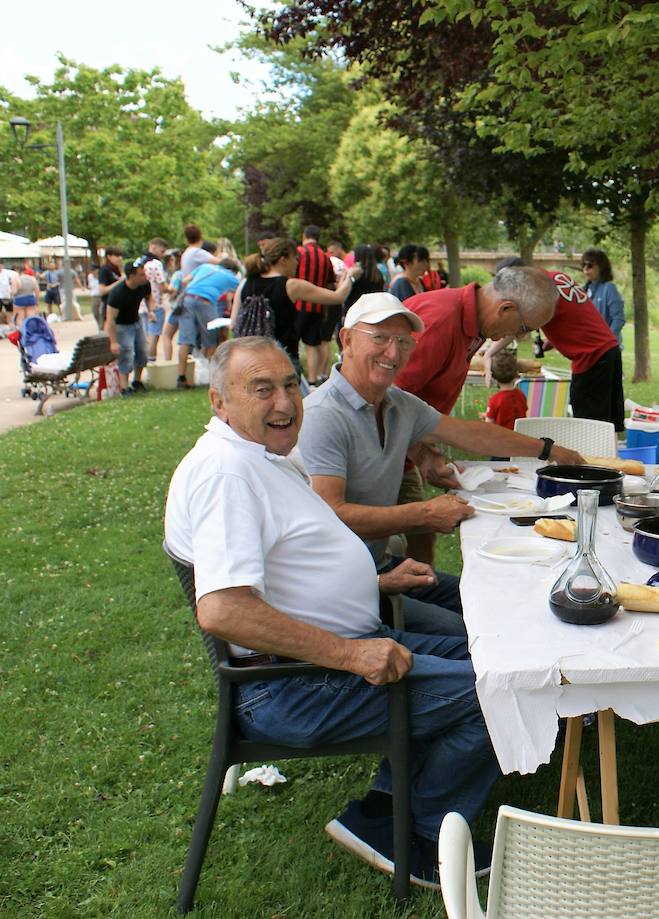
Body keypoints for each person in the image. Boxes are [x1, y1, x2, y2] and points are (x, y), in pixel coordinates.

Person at [164, 335, 500, 887]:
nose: (285, 403)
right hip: (292, 686)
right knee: (498, 693)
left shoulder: (257, 457)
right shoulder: (226, 474)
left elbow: (288, 566)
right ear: (219, 402)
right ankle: (417, 832)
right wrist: (351, 653)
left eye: (292, 385)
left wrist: (373, 579)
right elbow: (223, 610)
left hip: (333, 649)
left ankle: (385, 807)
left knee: (493, 655)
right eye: (262, 390)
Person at [297, 289, 583, 618]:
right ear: (346, 340)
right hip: (340, 593)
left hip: (377, 568)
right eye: (380, 338)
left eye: (404, 343)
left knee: (505, 604)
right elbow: (333, 514)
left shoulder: (396, 403)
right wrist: (424, 514)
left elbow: (470, 434)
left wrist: (548, 449)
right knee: (483, 636)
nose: (393, 353)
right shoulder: (323, 415)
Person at [481, 258, 624, 430]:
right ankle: (612, 454)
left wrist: (489, 353)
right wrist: (554, 340)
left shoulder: (537, 290)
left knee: (590, 427)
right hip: (610, 350)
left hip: (591, 357)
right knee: (609, 424)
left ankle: (596, 456)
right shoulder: (556, 277)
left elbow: (517, 328)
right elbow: (576, 316)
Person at [232, 238, 352, 378]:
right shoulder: (291, 286)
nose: (297, 263)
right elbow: (338, 297)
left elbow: (233, 323)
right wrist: (350, 276)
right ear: (284, 260)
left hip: (252, 359)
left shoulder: (246, 282)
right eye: (295, 258)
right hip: (283, 358)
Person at [295, 225, 340, 386]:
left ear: (304, 236)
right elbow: (330, 283)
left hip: (297, 306)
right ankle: (313, 380)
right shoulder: (325, 257)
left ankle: (294, 377)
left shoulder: (299, 253)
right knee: (312, 344)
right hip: (318, 307)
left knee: (293, 343)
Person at [178, 257, 242, 368]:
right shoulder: (230, 276)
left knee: (186, 340)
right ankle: (210, 372)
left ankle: (181, 377)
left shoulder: (204, 266)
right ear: (233, 270)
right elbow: (243, 288)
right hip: (206, 302)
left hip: (187, 299)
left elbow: (184, 281)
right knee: (211, 338)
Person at [103, 255, 154, 393]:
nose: (145, 277)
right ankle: (124, 387)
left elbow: (149, 297)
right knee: (126, 353)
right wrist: (113, 341)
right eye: (141, 275)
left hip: (136, 322)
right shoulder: (118, 293)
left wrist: (150, 311)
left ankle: (137, 381)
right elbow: (110, 319)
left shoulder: (143, 285)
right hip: (120, 325)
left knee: (143, 352)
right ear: (131, 276)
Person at [581, 248, 625, 348]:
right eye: (584, 265)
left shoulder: (609, 288)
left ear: (601, 267)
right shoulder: (583, 291)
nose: (586, 269)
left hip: (607, 350)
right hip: (589, 349)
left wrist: (606, 342)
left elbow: (619, 319)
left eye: (590, 265)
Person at [140, 239, 171, 360]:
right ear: (153, 247)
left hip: (141, 304)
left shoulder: (140, 262)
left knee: (145, 335)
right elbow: (162, 286)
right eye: (162, 251)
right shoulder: (156, 264)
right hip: (155, 304)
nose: (162, 254)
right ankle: (151, 362)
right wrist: (173, 289)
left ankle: (143, 362)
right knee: (154, 335)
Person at [483, 349, 527, 430]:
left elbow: (489, 426)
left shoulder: (495, 400)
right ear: (516, 373)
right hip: (520, 437)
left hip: (502, 440)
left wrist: (488, 415)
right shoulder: (521, 395)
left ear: (493, 376)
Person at [95, 247, 124, 329]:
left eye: (121, 256)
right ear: (109, 256)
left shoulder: (118, 269)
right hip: (109, 305)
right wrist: (119, 282)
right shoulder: (105, 270)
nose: (120, 258)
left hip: (120, 306)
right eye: (117, 256)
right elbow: (102, 290)